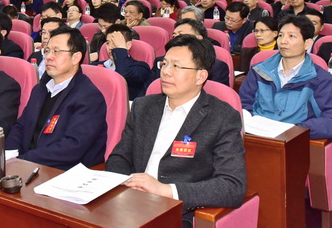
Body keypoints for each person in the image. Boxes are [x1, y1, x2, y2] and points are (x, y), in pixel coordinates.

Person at [106, 35, 246, 223]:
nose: (165, 72)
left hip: (178, 212)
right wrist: (126, 183)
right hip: (130, 202)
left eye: (176, 66)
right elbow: (119, 157)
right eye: (164, 64)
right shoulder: (143, 107)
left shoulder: (222, 117)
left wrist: (166, 190)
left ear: (200, 76)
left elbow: (232, 186)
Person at [6, 27, 107, 170]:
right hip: (29, 165)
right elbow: (21, 127)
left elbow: (72, 147)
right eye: (47, 51)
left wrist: (23, 160)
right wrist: (9, 155)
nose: (49, 57)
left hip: (65, 172)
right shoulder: (40, 89)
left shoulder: (89, 97)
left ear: (76, 57)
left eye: (56, 51)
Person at [240, 15, 332, 140]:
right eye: (281, 35)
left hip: (295, 141)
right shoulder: (259, 71)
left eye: (291, 36)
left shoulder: (322, 80)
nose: (283, 41)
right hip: (256, 138)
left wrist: (297, 130)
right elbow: (243, 105)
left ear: (307, 43)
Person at [145, 19, 230, 89]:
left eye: (181, 35)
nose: (176, 38)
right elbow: (148, 91)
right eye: (174, 35)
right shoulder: (160, 62)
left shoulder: (216, 67)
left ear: (198, 38)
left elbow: (216, 97)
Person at [103, 24, 149, 100]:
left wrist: (120, 49)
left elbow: (123, 74)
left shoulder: (141, 67)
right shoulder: (97, 66)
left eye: (115, 43)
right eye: (108, 43)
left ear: (128, 45)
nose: (110, 47)